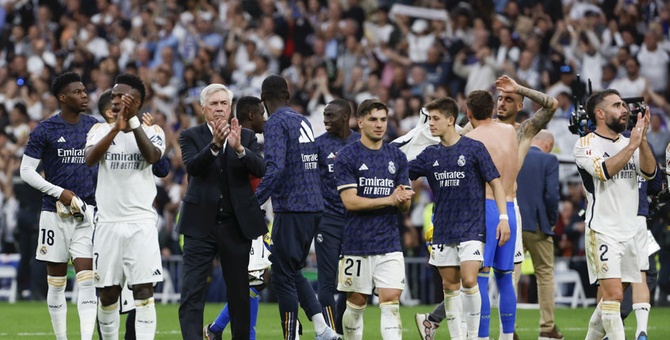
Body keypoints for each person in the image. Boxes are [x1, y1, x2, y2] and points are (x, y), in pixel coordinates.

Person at [415, 76, 561, 340]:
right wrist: (519, 89)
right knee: (501, 277)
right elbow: (551, 104)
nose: (503, 102)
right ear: (492, 107)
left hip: (482, 209)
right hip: (507, 208)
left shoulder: (472, 134)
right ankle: (500, 335)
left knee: (477, 278)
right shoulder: (515, 133)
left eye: (509, 99)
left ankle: (475, 335)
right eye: (500, 98)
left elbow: (446, 140)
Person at [408, 97, 509, 340]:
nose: (430, 124)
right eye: (429, 119)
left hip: (472, 228)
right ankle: (458, 337)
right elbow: (402, 170)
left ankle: (472, 336)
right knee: (449, 288)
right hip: (443, 229)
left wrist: (503, 217)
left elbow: (496, 183)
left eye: (435, 119)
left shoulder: (473, 148)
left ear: (451, 120)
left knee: (469, 279)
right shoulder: (429, 154)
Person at [177, 85, 267, 340]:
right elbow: (193, 167)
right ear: (203, 108)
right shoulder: (190, 135)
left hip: (235, 226)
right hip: (199, 225)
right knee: (192, 292)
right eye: (214, 103)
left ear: (230, 108)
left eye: (224, 103)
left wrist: (239, 149)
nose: (219, 108)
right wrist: (215, 146)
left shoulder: (246, 136)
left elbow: (260, 169)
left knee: (239, 293)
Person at [254, 75, 340, 340]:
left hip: (293, 208)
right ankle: (323, 328)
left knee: (281, 277)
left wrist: (253, 201)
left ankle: (291, 336)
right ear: (288, 96)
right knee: (291, 270)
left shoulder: (275, 123)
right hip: (314, 207)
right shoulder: (302, 120)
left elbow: (276, 168)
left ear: (263, 100)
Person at [85, 73, 166, 339]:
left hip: (140, 223)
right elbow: (90, 159)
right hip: (108, 223)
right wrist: (116, 128)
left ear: (137, 101)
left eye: (122, 95)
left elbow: (153, 157)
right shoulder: (99, 129)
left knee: (144, 290)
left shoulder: (154, 131)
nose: (115, 99)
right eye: (114, 95)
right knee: (108, 294)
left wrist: (132, 123)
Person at [19, 71, 98, 340]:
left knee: (88, 278)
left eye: (85, 90)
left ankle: (86, 338)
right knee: (57, 282)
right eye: (77, 91)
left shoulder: (94, 126)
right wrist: (59, 192)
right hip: (53, 214)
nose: (84, 95)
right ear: (62, 97)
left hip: (86, 213)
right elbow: (26, 171)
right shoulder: (45, 129)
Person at [574, 89, 656, 340]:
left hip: (631, 230)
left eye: (624, 105)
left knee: (611, 297)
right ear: (600, 113)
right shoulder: (586, 143)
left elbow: (650, 174)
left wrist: (641, 141)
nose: (625, 110)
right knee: (615, 297)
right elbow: (603, 171)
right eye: (617, 105)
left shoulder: (629, 142)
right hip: (603, 229)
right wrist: (633, 144)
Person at [335, 99, 415, 340]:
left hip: (389, 242)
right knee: (356, 305)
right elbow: (350, 201)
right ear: (360, 122)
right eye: (373, 119)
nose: (379, 125)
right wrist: (390, 199)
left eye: (383, 119)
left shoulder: (397, 157)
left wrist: (403, 200)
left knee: (391, 302)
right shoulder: (347, 156)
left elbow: (405, 205)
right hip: (356, 243)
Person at [203, 95, 271, 340]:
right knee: (251, 282)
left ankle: (215, 329)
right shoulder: (238, 143)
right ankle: (223, 331)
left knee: (257, 281)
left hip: (254, 219)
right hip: (243, 221)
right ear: (250, 116)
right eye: (261, 113)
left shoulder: (250, 143)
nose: (264, 118)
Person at [314, 99, 360, 334]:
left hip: (355, 221)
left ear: (345, 117)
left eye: (331, 116)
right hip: (327, 220)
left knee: (350, 282)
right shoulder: (318, 145)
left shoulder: (360, 143)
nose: (326, 120)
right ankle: (329, 332)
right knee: (327, 281)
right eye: (324, 115)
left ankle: (339, 329)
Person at [516, 130, 561, 339]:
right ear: (547, 144)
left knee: (510, 277)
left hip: (513, 223)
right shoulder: (549, 160)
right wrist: (551, 220)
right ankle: (547, 328)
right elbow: (551, 194)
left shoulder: (514, 154)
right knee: (544, 275)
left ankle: (508, 328)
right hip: (537, 224)